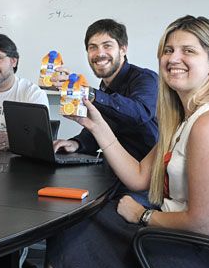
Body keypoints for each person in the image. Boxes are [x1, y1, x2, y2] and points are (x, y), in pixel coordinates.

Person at [46, 15, 209, 268]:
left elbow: (202, 223)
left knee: (72, 232)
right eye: (168, 50)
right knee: (75, 222)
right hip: (183, 236)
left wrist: (142, 216)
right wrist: (95, 125)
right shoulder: (186, 120)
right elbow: (139, 177)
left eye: (188, 51)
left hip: (202, 249)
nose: (173, 59)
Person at [51, 19, 158, 162]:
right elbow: (103, 127)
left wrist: (86, 92)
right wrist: (77, 143)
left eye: (107, 46)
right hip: (114, 168)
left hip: (147, 172)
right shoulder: (104, 87)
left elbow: (139, 113)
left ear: (123, 49)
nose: (99, 53)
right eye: (93, 47)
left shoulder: (146, 78)